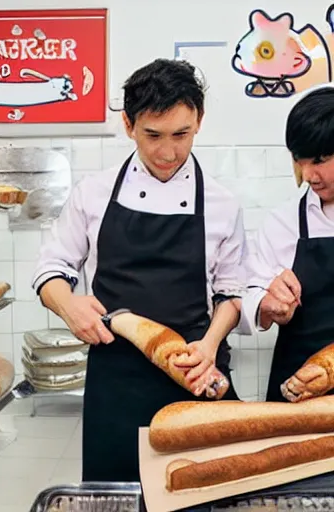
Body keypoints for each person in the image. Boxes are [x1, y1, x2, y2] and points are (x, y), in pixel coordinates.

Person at [32, 58, 246, 482]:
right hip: (116, 377)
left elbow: (231, 292)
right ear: (128, 125)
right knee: (116, 493)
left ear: (199, 122)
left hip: (194, 368)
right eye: (153, 135)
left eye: (181, 134)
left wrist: (210, 343)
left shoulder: (222, 203)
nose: (168, 152)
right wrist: (68, 306)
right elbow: (51, 267)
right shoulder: (93, 193)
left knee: (197, 492)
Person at [241, 85, 334, 402]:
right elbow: (248, 294)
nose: (309, 175)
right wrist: (266, 306)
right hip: (296, 393)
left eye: (320, 159)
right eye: (300, 160)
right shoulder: (283, 223)